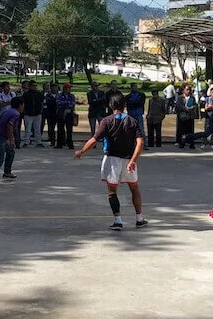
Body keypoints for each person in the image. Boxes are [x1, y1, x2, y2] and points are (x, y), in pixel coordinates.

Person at [74, 94, 147, 231]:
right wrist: (133, 160)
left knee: (112, 190)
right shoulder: (132, 121)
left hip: (112, 159)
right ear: (124, 105)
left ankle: (118, 220)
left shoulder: (106, 121)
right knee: (134, 188)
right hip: (128, 159)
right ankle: (139, 218)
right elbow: (140, 142)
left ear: (110, 105)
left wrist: (81, 151)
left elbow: (94, 139)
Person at [20, 80, 44, 147]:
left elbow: (42, 103)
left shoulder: (39, 94)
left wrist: (40, 111)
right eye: (33, 86)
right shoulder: (25, 94)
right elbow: (23, 103)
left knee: (37, 129)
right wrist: (24, 111)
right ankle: (26, 142)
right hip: (28, 114)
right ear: (30, 86)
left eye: (35, 86)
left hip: (37, 113)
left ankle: (38, 142)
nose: (34, 87)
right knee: (28, 129)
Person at [54, 83, 76, 149]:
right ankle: (60, 144)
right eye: (68, 88)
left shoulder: (72, 96)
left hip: (69, 115)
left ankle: (70, 144)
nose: (69, 89)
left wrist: (66, 104)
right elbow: (58, 103)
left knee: (69, 130)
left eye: (69, 88)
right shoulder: (59, 95)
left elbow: (72, 104)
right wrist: (67, 103)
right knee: (60, 130)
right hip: (61, 114)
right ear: (64, 89)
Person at [175, 83, 197, 148]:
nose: (188, 91)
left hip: (190, 116)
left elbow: (195, 105)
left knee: (190, 130)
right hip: (183, 116)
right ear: (183, 90)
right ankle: (182, 142)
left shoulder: (192, 97)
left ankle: (191, 143)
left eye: (189, 90)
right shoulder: (180, 97)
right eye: (187, 89)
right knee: (182, 130)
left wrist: (192, 107)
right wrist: (185, 108)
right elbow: (179, 106)